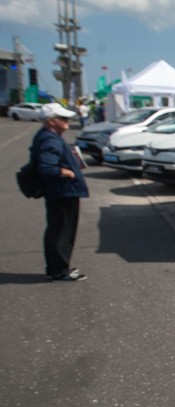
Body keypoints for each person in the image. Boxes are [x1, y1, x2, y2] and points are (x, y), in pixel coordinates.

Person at [32, 103, 90, 281]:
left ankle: (57, 267)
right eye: (63, 118)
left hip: (61, 192)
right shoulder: (50, 139)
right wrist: (67, 171)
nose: (67, 121)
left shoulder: (50, 136)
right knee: (61, 232)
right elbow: (47, 168)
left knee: (59, 229)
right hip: (62, 192)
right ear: (51, 121)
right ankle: (59, 269)